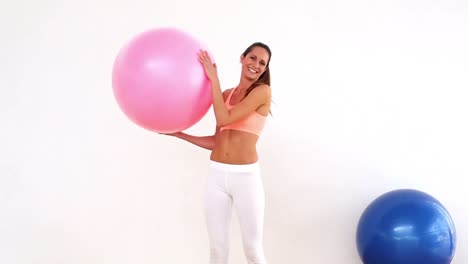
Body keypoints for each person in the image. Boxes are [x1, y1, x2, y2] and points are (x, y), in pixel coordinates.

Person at [164, 42, 272, 264]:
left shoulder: (262, 92)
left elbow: (224, 119)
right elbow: (217, 141)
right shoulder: (225, 95)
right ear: (242, 58)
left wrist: (213, 78)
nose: (256, 65)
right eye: (252, 58)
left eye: (262, 63)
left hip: (246, 178)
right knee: (217, 250)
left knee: (252, 250)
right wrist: (180, 135)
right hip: (217, 175)